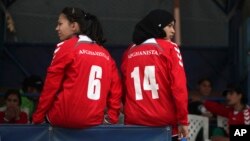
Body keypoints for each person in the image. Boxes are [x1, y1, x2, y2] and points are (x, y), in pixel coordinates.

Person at [32, 7, 122, 128]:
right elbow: (116, 90)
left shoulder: (66, 47)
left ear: (73, 26)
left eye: (60, 24)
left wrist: (37, 118)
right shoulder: (105, 54)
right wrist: (111, 118)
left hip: (62, 118)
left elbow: (51, 86)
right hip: (94, 121)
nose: (56, 28)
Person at [121, 9, 188, 140]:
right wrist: (183, 120)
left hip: (134, 121)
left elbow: (124, 88)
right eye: (169, 26)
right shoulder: (170, 48)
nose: (173, 31)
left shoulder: (129, 51)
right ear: (158, 25)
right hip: (164, 122)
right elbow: (179, 87)